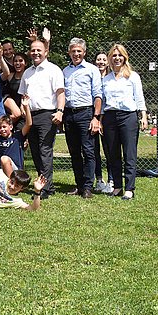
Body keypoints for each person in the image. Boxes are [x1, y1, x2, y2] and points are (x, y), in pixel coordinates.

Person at [19, 37, 65, 198]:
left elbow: (60, 93)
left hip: (47, 115)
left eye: (39, 50)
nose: (36, 52)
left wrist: (60, 111)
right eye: (33, 50)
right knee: (36, 151)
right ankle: (44, 184)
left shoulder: (54, 70)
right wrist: (22, 109)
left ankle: (45, 189)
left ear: (46, 52)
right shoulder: (27, 72)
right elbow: (22, 96)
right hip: (31, 116)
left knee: (45, 151)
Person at [101, 44, 148, 200]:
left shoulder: (133, 76)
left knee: (129, 154)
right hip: (110, 118)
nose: (117, 58)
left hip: (128, 117)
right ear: (110, 58)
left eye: (119, 55)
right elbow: (102, 101)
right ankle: (117, 187)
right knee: (113, 154)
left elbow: (139, 97)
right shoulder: (105, 79)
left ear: (125, 57)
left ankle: (129, 188)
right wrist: (100, 119)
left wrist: (143, 116)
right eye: (114, 56)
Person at [62, 38, 102, 199]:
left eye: (79, 51)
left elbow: (98, 95)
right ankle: (79, 185)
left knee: (88, 151)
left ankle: (87, 187)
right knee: (74, 152)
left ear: (84, 52)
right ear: (69, 52)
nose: (76, 54)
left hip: (86, 113)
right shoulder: (65, 71)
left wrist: (96, 117)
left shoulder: (92, 70)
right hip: (69, 114)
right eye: (73, 51)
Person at [0, 97, 32, 176]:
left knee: (4, 159)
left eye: (4, 127)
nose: (2, 129)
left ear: (10, 127)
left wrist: (26, 107)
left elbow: (29, 124)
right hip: (1, 168)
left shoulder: (17, 136)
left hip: (16, 170)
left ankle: (11, 184)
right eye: (0, 127)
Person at [93, 51, 113, 193]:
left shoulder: (111, 78)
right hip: (92, 117)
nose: (101, 62)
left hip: (107, 118)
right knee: (94, 151)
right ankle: (99, 179)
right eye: (98, 59)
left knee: (109, 150)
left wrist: (102, 119)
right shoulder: (93, 77)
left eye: (103, 59)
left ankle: (112, 180)